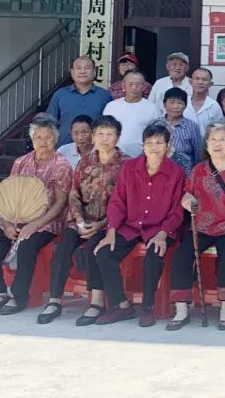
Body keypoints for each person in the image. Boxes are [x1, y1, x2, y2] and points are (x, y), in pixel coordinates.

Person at [167, 122, 225, 331]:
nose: (217, 144)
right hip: (200, 227)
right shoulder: (199, 169)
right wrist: (188, 202)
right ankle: (181, 311)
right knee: (181, 257)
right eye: (213, 140)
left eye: (222, 140)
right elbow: (187, 195)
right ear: (207, 144)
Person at [93, 122, 185, 326]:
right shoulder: (129, 168)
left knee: (154, 255)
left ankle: (147, 307)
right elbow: (118, 201)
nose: (154, 147)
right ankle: (122, 306)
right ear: (143, 145)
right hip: (131, 226)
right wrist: (111, 231)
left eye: (159, 143)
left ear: (168, 146)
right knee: (104, 253)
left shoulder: (176, 173)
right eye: (149, 143)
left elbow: (177, 210)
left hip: (159, 228)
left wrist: (163, 233)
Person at [39, 115, 126, 326]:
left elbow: (126, 201)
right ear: (94, 136)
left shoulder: (127, 164)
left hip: (109, 224)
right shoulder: (85, 161)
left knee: (93, 249)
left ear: (117, 137)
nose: (104, 138)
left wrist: (101, 224)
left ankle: (96, 302)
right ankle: (55, 300)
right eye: (100, 134)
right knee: (62, 249)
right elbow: (73, 194)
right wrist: (79, 220)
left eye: (109, 134)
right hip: (81, 220)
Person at [0, 115, 72, 316]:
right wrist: (7, 223)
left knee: (27, 245)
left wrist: (35, 224)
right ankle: (0, 291)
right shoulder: (21, 162)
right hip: (17, 216)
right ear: (32, 139)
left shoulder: (61, 165)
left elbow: (60, 203)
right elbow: (9, 195)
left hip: (48, 220)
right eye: (38, 137)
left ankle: (19, 296)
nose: (43, 142)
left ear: (55, 139)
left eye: (48, 137)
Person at [47, 56, 112, 145]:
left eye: (87, 68)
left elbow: (112, 126)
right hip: (64, 148)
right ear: (72, 72)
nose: (82, 71)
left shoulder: (105, 96)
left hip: (96, 148)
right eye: (78, 68)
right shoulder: (60, 95)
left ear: (94, 72)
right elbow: (49, 124)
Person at [102, 71, 161, 157]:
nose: (134, 87)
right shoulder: (111, 106)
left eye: (138, 84)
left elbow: (156, 134)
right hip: (114, 156)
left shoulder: (152, 108)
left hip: (142, 157)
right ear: (123, 86)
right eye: (130, 84)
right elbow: (103, 131)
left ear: (144, 87)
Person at [161, 88, 202, 175]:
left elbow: (198, 154)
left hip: (184, 174)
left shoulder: (192, 126)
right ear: (164, 104)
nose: (175, 106)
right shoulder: (156, 125)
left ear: (185, 106)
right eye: (172, 102)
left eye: (179, 103)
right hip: (160, 173)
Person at [184, 67, 223, 133]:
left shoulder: (214, 106)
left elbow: (218, 131)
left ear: (210, 84)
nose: (200, 82)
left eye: (204, 79)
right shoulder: (183, 102)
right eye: (197, 79)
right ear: (190, 82)